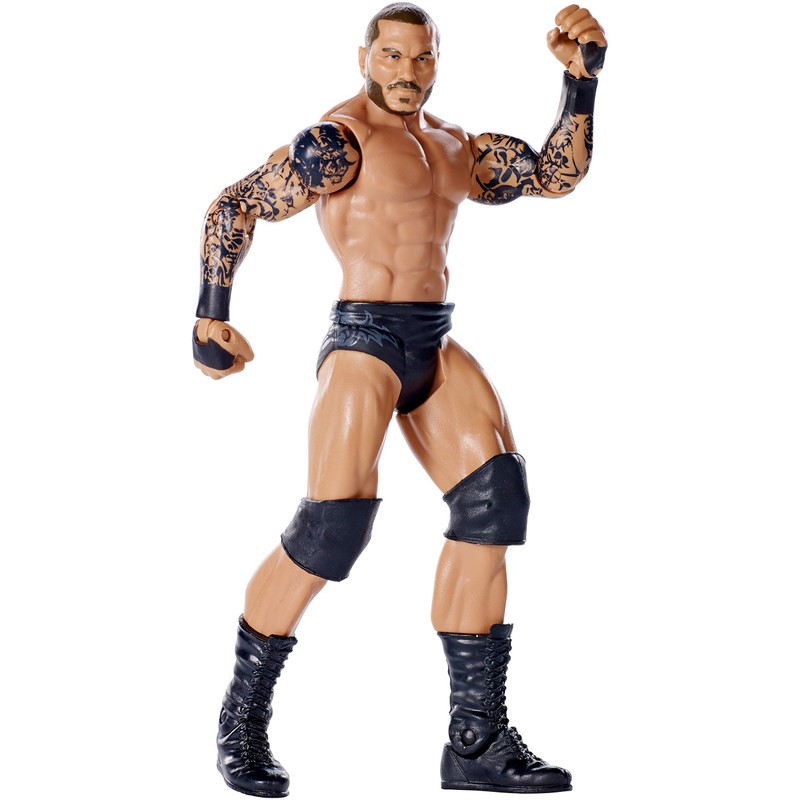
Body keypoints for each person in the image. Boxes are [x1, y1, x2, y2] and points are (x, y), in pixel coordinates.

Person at [193, 3, 606, 796]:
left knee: (495, 497)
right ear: (364, 58)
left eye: (421, 58)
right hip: (365, 339)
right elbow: (235, 203)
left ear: (437, 62)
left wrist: (580, 84)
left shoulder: (455, 146)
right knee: (331, 529)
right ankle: (240, 721)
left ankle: (475, 741)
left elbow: (555, 175)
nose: (406, 72)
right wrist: (210, 316)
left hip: (433, 339)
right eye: (391, 56)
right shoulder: (336, 143)